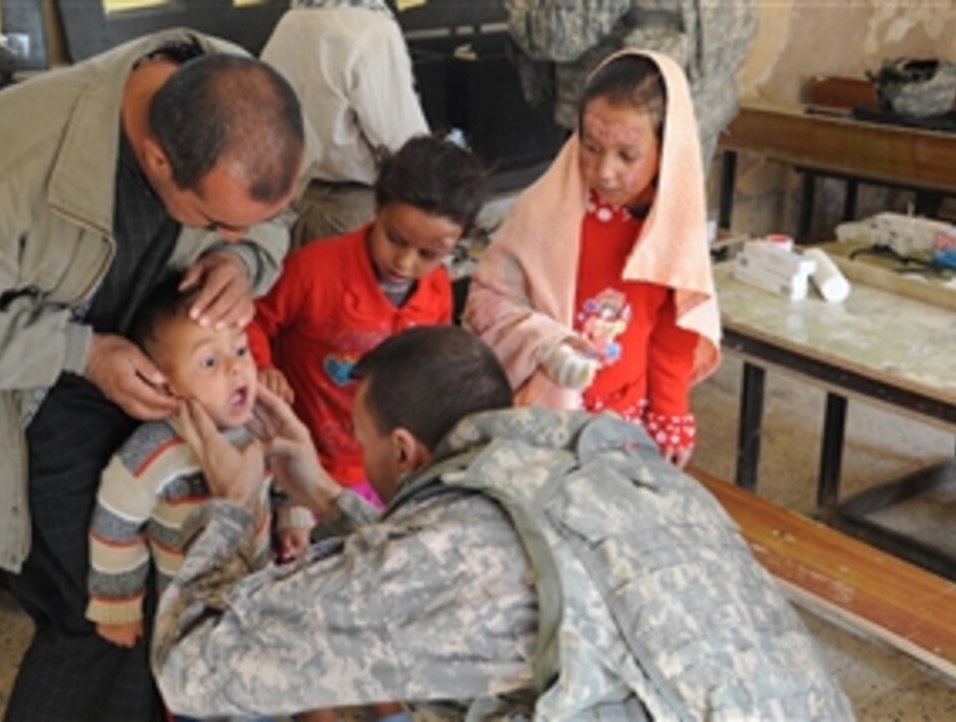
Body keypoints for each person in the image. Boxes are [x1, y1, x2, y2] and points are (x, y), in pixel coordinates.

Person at [0, 29, 308, 722]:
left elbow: (274, 217)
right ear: (154, 158)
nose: (230, 237)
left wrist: (244, 264)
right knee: (96, 611)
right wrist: (81, 352)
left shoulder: (246, 102)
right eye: (213, 223)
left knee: (160, 601)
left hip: (133, 364)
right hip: (13, 397)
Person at [153, 325, 852, 720]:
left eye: (363, 440)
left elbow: (193, 668)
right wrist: (325, 493)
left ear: (403, 451)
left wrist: (234, 509)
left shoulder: (456, 549)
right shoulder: (607, 464)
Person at [463, 50, 721, 468]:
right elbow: (489, 299)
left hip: (624, 417)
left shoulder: (670, 228)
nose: (604, 171)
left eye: (627, 156)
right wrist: (547, 345)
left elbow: (673, 333)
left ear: (667, 149)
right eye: (591, 146)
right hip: (543, 408)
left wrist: (670, 411)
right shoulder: (546, 211)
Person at [247, 134, 487, 508]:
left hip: (380, 468)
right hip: (303, 461)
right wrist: (262, 367)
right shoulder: (313, 271)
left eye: (430, 253)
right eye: (395, 239)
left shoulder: (438, 289)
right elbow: (255, 318)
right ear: (376, 206)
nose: (405, 263)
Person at [86, 273, 312, 653]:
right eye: (209, 361)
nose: (235, 368)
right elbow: (114, 525)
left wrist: (292, 520)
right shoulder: (152, 451)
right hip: (187, 605)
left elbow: (286, 479)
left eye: (240, 351)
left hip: (258, 577)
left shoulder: (260, 423)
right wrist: (118, 608)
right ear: (164, 384)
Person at [503, 0, 756, 172]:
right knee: (671, 237)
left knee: (606, 242)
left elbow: (553, 35)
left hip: (619, 134)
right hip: (698, 113)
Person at [260, 0, 430, 246]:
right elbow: (400, 140)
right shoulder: (373, 30)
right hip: (352, 211)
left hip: (292, 205)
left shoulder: (290, 21)